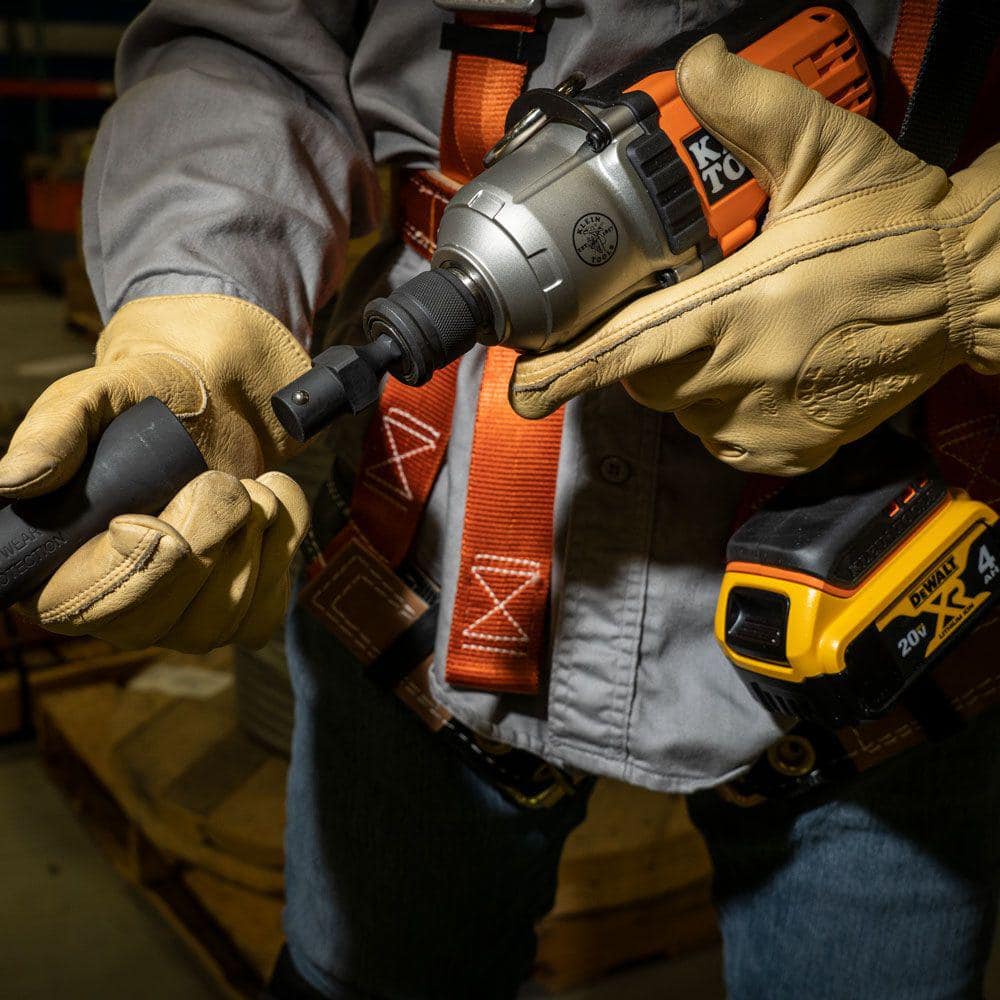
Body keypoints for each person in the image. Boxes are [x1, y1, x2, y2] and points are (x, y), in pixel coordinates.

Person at [2, 2, 998, 997]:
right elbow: (243, 40)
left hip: (909, 623)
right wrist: (195, 294)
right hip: (414, 598)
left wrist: (965, 264)